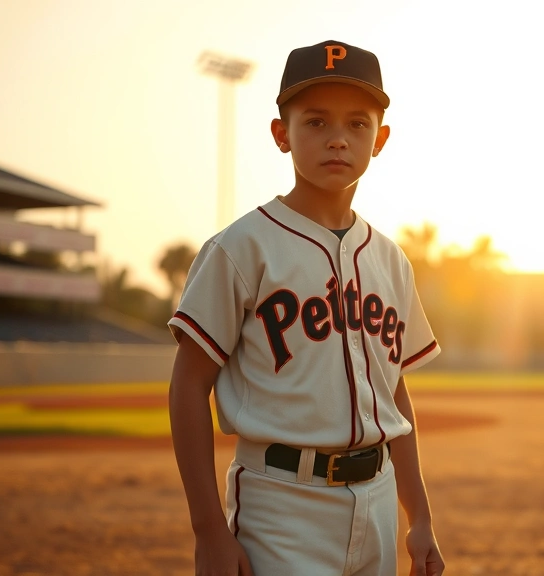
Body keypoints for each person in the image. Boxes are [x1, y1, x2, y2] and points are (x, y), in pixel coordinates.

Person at [167, 39, 445, 576]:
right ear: (281, 134)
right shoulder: (241, 247)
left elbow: (394, 396)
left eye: (357, 124)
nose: (338, 139)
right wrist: (208, 532)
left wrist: (420, 515)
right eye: (315, 122)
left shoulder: (391, 259)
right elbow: (187, 385)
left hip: (379, 495)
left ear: (380, 139)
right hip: (281, 505)